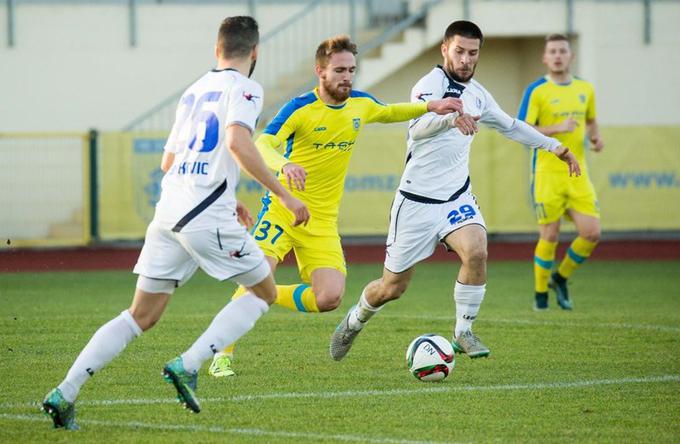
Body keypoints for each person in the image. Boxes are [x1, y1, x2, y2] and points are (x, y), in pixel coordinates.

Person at [41, 16, 310, 429]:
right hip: (204, 215)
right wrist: (285, 195)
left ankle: (65, 392)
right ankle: (189, 364)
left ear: (216, 50)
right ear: (255, 51)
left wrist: (229, 193)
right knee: (263, 292)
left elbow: (170, 161)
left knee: (140, 316)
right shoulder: (246, 88)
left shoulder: (193, 90)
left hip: (168, 211)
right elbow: (238, 143)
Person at [208, 34, 463, 377]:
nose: (347, 77)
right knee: (259, 275)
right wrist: (284, 165)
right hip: (283, 209)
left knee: (328, 298)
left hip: (322, 221)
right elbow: (262, 144)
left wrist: (430, 106)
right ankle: (221, 354)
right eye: (340, 70)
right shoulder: (299, 108)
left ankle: (262, 292)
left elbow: (388, 112)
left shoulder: (359, 103)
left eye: (351, 70)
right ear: (320, 71)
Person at [329, 21, 581, 361]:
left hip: (456, 197)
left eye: (472, 53)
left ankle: (463, 331)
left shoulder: (478, 93)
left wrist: (554, 146)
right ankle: (355, 320)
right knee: (392, 288)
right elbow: (417, 129)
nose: (465, 59)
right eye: (459, 51)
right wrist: (449, 116)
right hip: (416, 202)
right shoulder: (428, 85)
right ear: (445, 49)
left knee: (476, 249)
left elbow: (510, 125)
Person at [518, 34, 604, 311]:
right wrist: (556, 129)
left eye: (562, 51)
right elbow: (522, 127)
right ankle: (540, 295)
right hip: (546, 173)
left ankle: (560, 276)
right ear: (545, 57)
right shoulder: (537, 90)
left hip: (578, 173)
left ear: (571, 56)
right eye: (552, 51)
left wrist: (595, 137)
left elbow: (590, 120)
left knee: (591, 233)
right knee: (550, 235)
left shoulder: (585, 89)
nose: (557, 55)